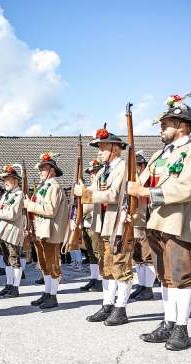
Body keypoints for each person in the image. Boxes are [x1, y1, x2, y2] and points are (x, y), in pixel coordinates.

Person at [128, 94, 191, 350]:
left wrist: (145, 193)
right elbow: (140, 182)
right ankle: (168, 322)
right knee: (165, 277)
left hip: (181, 222)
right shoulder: (159, 155)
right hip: (156, 221)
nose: (161, 128)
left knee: (181, 277)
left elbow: (188, 188)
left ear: (183, 125)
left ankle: (181, 328)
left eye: (166, 123)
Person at [75, 124, 133, 326]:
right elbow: (91, 191)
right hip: (102, 224)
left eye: (103, 148)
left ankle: (121, 308)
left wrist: (87, 194)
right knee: (106, 266)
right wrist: (81, 190)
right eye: (99, 148)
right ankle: (107, 304)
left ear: (116, 148)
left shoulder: (124, 168)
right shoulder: (103, 171)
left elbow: (114, 195)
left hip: (118, 223)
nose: (100, 153)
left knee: (120, 266)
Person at [24, 153, 69, 309]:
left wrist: (30, 205)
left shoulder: (54, 186)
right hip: (41, 230)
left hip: (50, 231)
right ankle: (47, 292)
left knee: (52, 264)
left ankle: (53, 295)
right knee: (44, 264)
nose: (39, 172)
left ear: (51, 170)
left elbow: (50, 210)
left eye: (42, 169)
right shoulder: (44, 186)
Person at [0, 165, 24, 299]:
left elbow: (12, 214)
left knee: (14, 259)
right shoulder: (6, 195)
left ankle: (15, 287)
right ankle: (9, 284)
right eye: (4, 179)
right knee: (6, 259)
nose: (5, 182)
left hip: (13, 230)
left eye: (8, 179)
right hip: (3, 230)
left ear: (15, 180)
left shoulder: (19, 194)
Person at [129, 152, 156, 301]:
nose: (134, 169)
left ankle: (148, 287)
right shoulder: (133, 179)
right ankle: (141, 285)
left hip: (146, 220)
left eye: (137, 166)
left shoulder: (146, 180)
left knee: (148, 255)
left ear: (142, 166)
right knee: (138, 256)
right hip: (135, 221)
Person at [79, 159, 104, 292]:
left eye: (94, 171)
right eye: (90, 172)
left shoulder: (98, 187)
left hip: (95, 223)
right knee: (90, 254)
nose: (91, 174)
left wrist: (76, 218)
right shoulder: (89, 187)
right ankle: (94, 278)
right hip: (87, 223)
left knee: (97, 252)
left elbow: (87, 206)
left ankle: (100, 279)